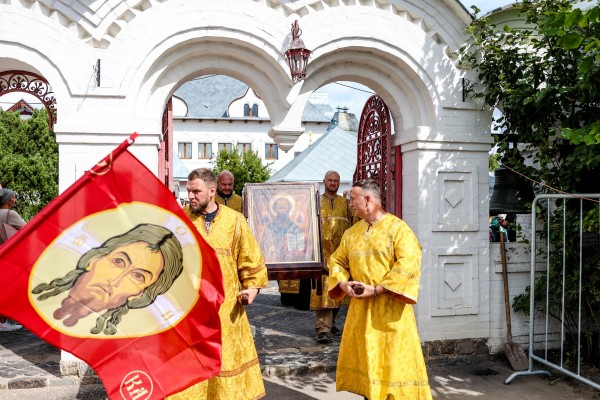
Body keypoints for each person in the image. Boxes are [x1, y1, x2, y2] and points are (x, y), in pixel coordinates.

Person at [327, 179, 432, 400]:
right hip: (361, 314)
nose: (350, 204)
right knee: (368, 367)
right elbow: (337, 261)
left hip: (391, 314)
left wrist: (377, 290)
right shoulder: (352, 233)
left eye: (352, 199)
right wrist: (344, 283)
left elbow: (409, 262)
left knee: (392, 367)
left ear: (368, 199)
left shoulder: (398, 228)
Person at [169, 168, 267, 400]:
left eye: (196, 191)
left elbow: (250, 259)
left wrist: (252, 288)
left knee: (225, 368)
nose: (190, 195)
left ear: (212, 191)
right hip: (190, 311)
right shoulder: (180, 221)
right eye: (188, 190)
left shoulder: (235, 220)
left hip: (227, 311)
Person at [32, 223, 184, 335]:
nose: (115, 280)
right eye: (118, 261)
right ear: (96, 258)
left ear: (139, 294)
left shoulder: (127, 333)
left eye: (138, 276)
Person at [310, 171, 352, 344]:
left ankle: (332, 322)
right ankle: (323, 328)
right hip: (322, 254)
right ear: (324, 181)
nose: (333, 183)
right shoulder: (316, 201)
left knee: (339, 289)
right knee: (324, 292)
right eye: (330, 180)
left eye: (336, 181)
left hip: (341, 254)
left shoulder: (345, 203)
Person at [0, 188, 26, 331]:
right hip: (9, 256)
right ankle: (3, 321)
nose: (15, 199)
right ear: (8, 199)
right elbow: (27, 229)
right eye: (14, 197)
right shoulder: (10, 214)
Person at [260, 195, 307, 262]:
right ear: (274, 209)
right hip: (272, 263)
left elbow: (300, 251)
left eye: (284, 208)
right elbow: (264, 249)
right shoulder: (269, 228)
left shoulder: (296, 229)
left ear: (290, 208)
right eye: (279, 208)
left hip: (292, 265)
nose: (282, 211)